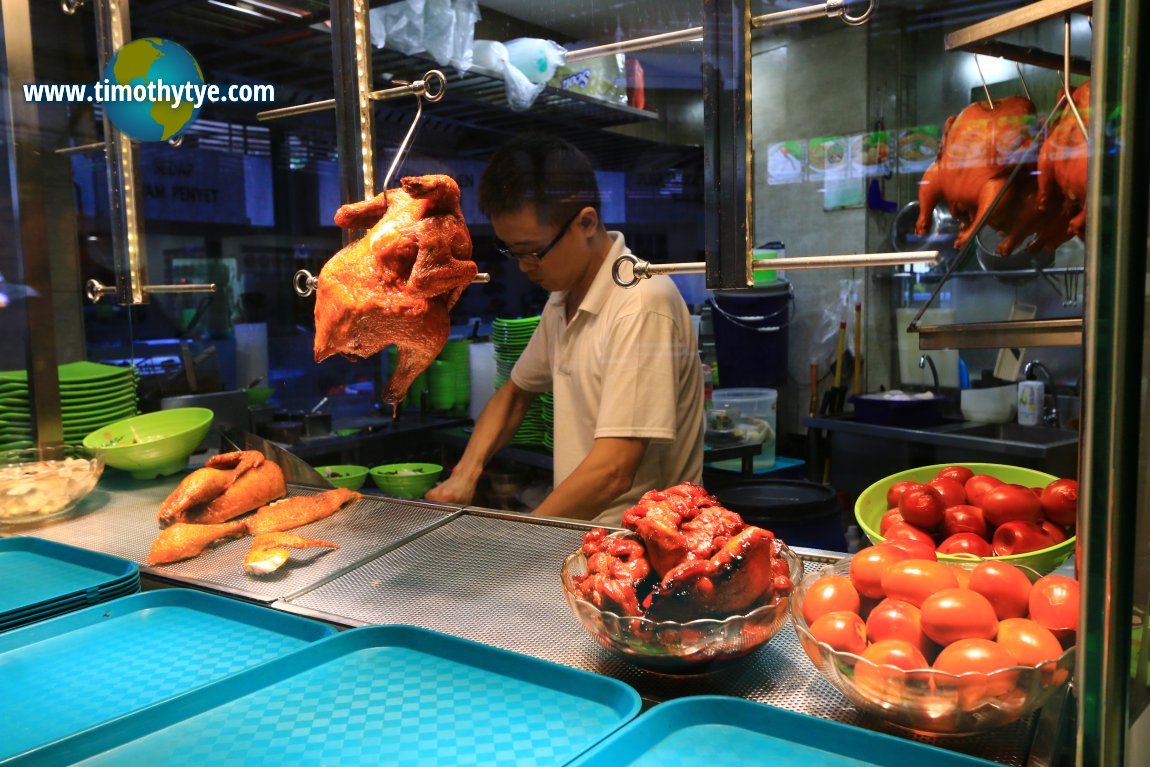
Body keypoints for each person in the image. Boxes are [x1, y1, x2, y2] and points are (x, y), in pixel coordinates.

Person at [425, 134, 703, 525]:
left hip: (643, 550)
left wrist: (526, 534)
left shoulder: (640, 302)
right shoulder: (564, 298)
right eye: (512, 251)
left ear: (586, 223)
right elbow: (515, 394)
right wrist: (466, 473)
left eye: (532, 250)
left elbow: (614, 470)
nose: (524, 266)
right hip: (586, 537)